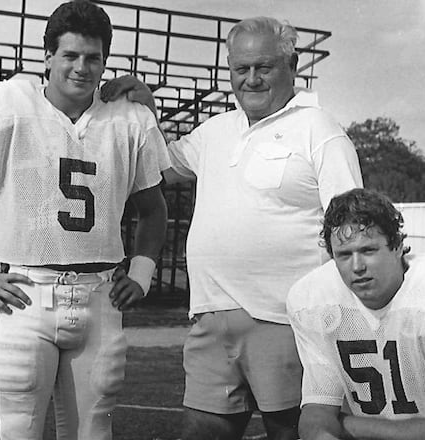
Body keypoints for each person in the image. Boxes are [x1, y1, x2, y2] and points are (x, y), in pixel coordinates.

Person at [102, 16, 363, 440]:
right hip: (210, 317)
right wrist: (144, 106)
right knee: (201, 431)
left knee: (292, 431)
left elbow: (352, 223)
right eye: (241, 69)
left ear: (292, 64)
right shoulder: (215, 130)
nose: (252, 79)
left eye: (264, 67)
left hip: (285, 320)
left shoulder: (321, 131)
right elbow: (157, 169)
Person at [0, 1, 169, 439]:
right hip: (25, 293)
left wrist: (141, 273)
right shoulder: (4, 107)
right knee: (18, 431)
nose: (82, 68)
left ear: (105, 61)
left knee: (93, 431)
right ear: (47, 57)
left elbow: (154, 208)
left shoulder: (129, 120)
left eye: (93, 58)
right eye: (70, 55)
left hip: (100, 296)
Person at [286, 188, 425, 440]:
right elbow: (317, 413)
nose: (357, 266)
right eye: (344, 255)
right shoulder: (314, 301)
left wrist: (346, 425)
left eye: (369, 250)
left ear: (397, 245)